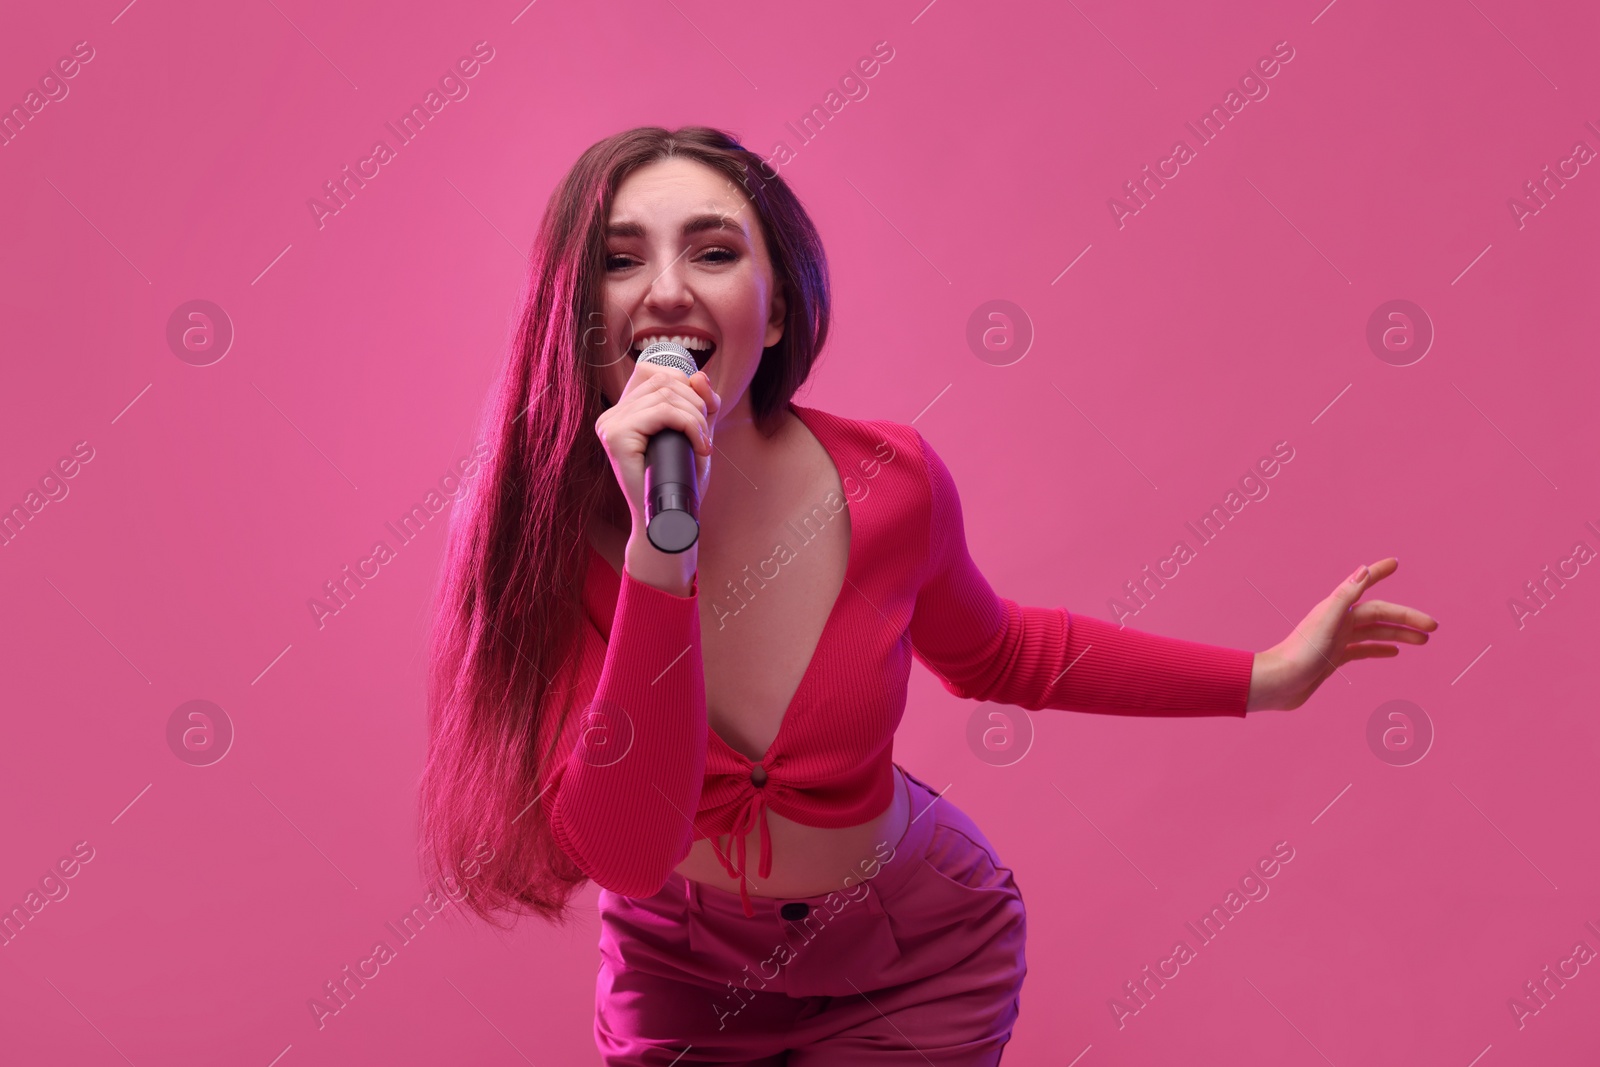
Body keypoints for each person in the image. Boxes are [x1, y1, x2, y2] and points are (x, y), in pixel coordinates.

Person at [417, 125, 1438, 1066]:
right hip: (682, 985)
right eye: (621, 256)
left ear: (773, 314)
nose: (670, 290)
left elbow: (1005, 653)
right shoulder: (534, 537)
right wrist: (657, 550)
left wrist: (1267, 674)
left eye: (716, 252)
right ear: (578, 318)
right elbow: (631, 851)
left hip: (917, 954)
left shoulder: (887, 481)